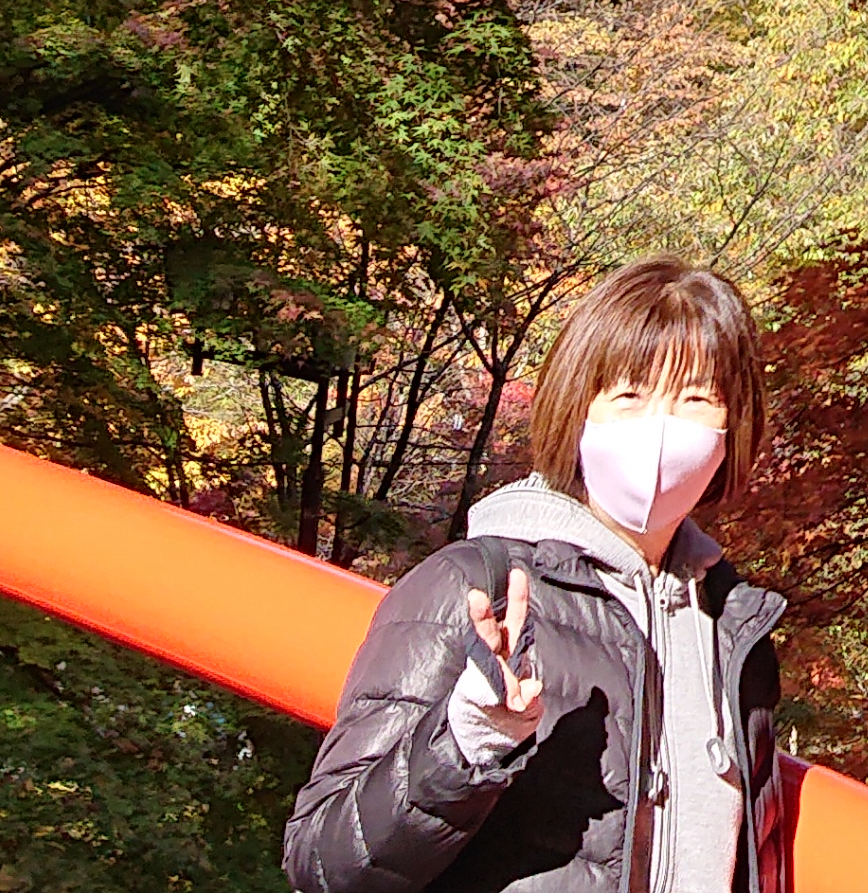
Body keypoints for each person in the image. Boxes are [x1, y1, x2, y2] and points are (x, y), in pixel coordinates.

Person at [287, 260, 797, 893]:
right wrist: (468, 742)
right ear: (578, 409)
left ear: (733, 423)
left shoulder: (732, 629)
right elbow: (323, 865)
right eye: (630, 396)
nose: (662, 430)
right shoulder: (477, 587)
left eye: (695, 399)